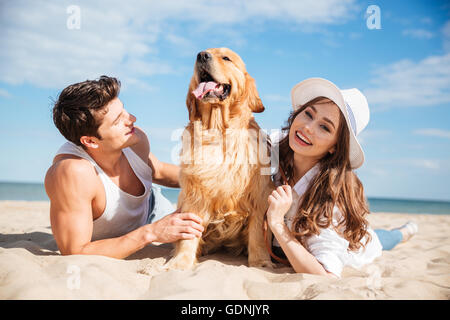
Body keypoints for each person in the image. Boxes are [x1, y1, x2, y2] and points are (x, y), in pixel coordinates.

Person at [266, 78, 418, 278]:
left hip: (356, 248)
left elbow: (326, 275)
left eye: (325, 127)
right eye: (308, 114)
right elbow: (248, 139)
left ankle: (406, 231)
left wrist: (277, 223)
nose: (308, 127)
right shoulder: (274, 145)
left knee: (381, 239)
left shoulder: (329, 199)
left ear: (335, 146)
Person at [45, 75, 204, 259]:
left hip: (154, 207)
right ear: (90, 141)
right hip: (148, 230)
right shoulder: (72, 173)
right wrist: (151, 233)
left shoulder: (135, 139)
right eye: (117, 120)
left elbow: (158, 170)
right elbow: (75, 251)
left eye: (124, 111)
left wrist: (209, 179)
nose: (132, 119)